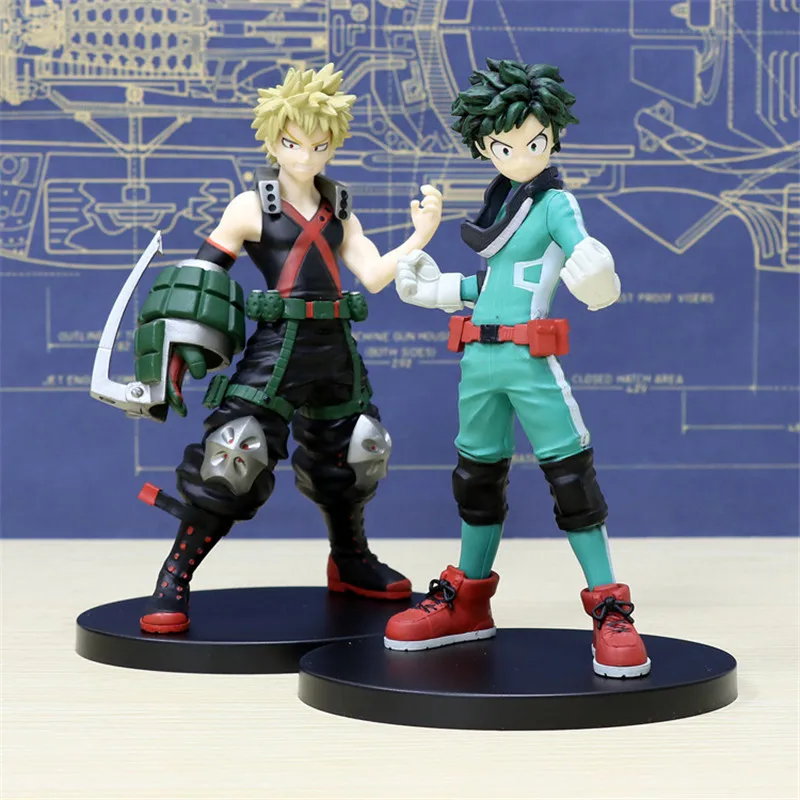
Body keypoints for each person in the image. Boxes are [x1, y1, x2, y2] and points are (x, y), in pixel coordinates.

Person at [132, 63, 442, 633]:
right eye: (293, 143)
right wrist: (172, 351)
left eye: (320, 145)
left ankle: (350, 560)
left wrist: (420, 235)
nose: (305, 156)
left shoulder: (339, 208)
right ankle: (173, 577)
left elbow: (374, 276)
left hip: (336, 347)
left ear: (333, 146)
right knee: (234, 454)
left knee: (356, 452)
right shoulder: (250, 207)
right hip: (278, 348)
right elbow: (201, 278)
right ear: (274, 141)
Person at [383, 59, 650, 679]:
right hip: (479, 361)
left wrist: (600, 279)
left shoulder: (554, 204)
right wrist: (437, 290)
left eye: (534, 142)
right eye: (504, 146)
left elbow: (583, 256)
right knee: (476, 478)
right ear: (485, 147)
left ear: (553, 137)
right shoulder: (500, 203)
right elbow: (494, 283)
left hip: (530, 360)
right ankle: (468, 601)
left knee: (571, 476)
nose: (521, 155)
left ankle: (609, 606)